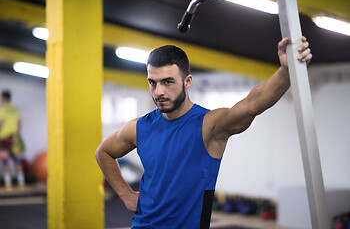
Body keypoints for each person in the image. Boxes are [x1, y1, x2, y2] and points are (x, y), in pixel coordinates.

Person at [95, 37, 312, 228]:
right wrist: (126, 195)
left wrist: (286, 71)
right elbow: (103, 152)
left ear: (187, 81)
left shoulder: (209, 126)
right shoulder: (139, 127)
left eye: (168, 82)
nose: (159, 91)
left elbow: (252, 104)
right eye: (153, 83)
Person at [0, 90, 25, 190]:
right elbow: (19, 123)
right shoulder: (16, 109)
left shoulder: (3, 110)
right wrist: (18, 136)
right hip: (14, 137)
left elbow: (1, 123)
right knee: (17, 160)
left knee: (5, 160)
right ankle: (21, 183)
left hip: (4, 138)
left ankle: (8, 185)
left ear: (3, 98)